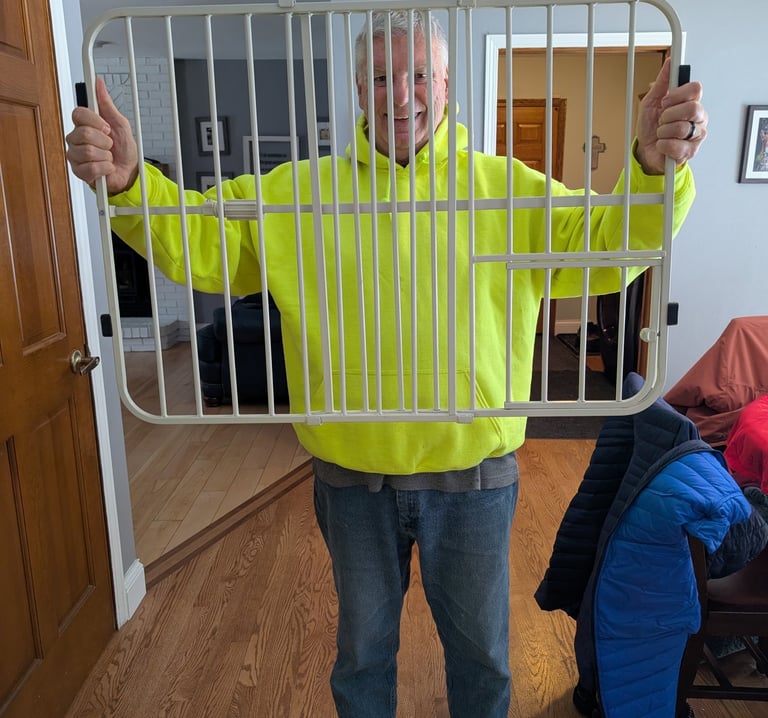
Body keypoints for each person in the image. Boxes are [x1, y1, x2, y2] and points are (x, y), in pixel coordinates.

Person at [66, 11, 708, 718]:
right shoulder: (298, 193)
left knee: (483, 658)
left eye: (418, 74)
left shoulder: (507, 188)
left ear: (446, 85)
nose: (400, 94)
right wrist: (130, 185)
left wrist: (654, 169)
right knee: (363, 655)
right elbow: (201, 241)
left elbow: (610, 245)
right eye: (379, 76)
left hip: (473, 475)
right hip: (352, 477)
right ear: (357, 89)